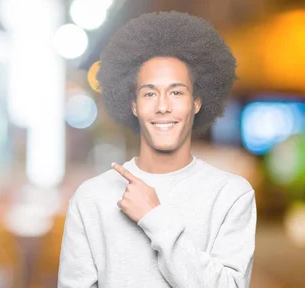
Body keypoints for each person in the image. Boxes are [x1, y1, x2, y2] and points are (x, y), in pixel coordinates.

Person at [58, 11, 256, 287]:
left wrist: (154, 218)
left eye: (176, 92)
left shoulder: (232, 194)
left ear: (196, 102)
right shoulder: (92, 197)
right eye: (150, 93)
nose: (163, 106)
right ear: (134, 105)